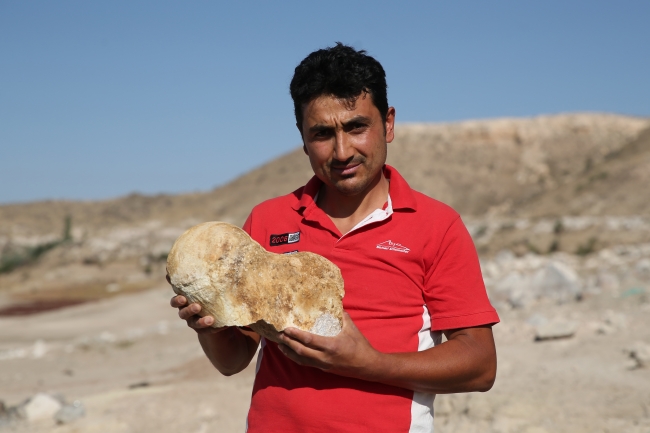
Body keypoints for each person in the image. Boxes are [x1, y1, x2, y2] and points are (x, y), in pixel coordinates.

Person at [170, 43, 499, 432]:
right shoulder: (268, 220)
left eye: (356, 127)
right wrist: (209, 327)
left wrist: (368, 363)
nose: (342, 152)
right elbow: (233, 361)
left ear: (388, 124)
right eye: (322, 133)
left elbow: (480, 366)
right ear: (302, 138)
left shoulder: (436, 226)